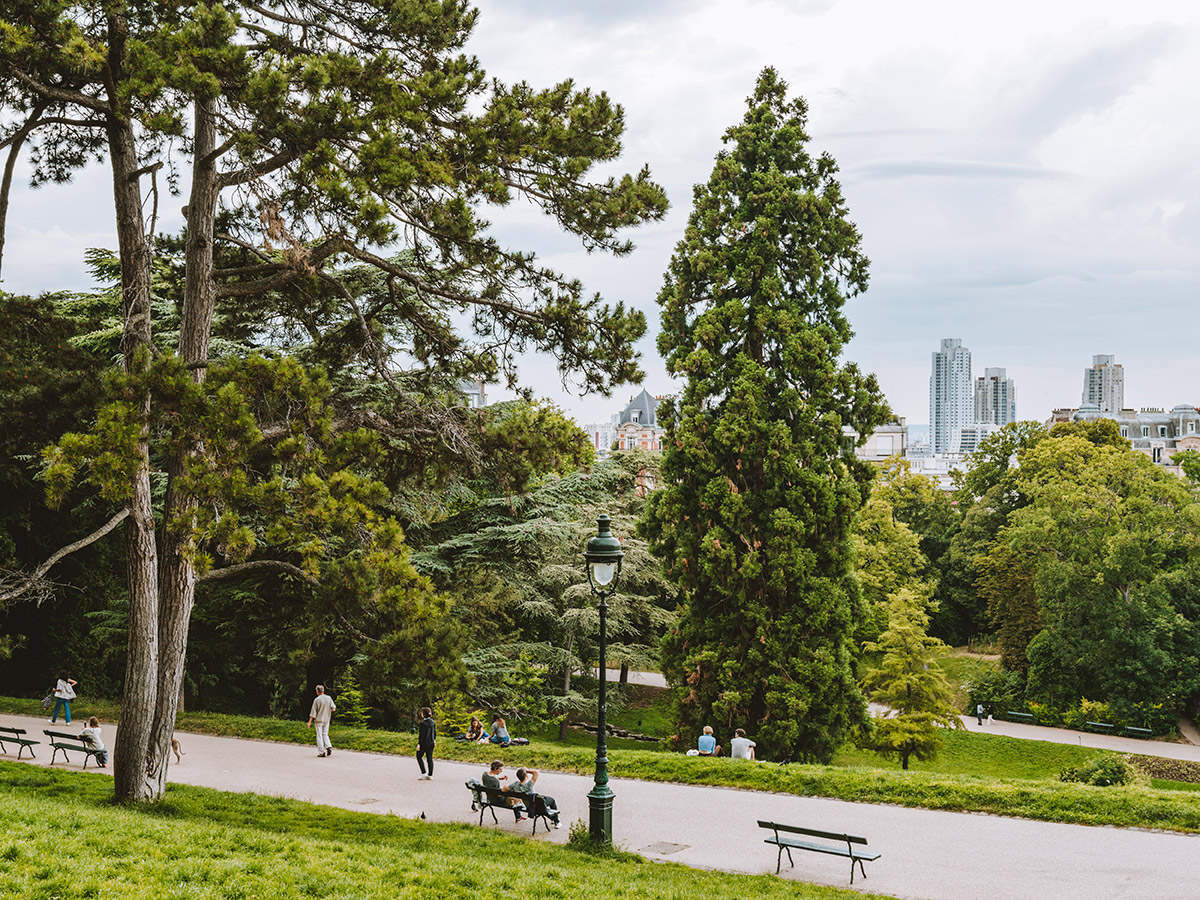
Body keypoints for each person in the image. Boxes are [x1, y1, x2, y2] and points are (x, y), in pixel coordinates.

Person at [307, 684, 336, 757]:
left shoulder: (317, 700)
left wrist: (309, 722)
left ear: (317, 691)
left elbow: (313, 712)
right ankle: (328, 746)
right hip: (326, 719)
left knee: (319, 736)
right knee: (325, 733)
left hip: (319, 720)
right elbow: (333, 708)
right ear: (323, 691)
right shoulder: (329, 698)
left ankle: (322, 752)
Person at [417, 706, 436, 779]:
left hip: (424, 743)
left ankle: (423, 772)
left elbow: (422, 735)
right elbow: (434, 732)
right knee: (429, 759)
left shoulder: (423, 723)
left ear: (424, 714)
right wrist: (434, 739)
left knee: (419, 756)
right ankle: (430, 774)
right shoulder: (433, 722)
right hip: (431, 742)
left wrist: (419, 744)